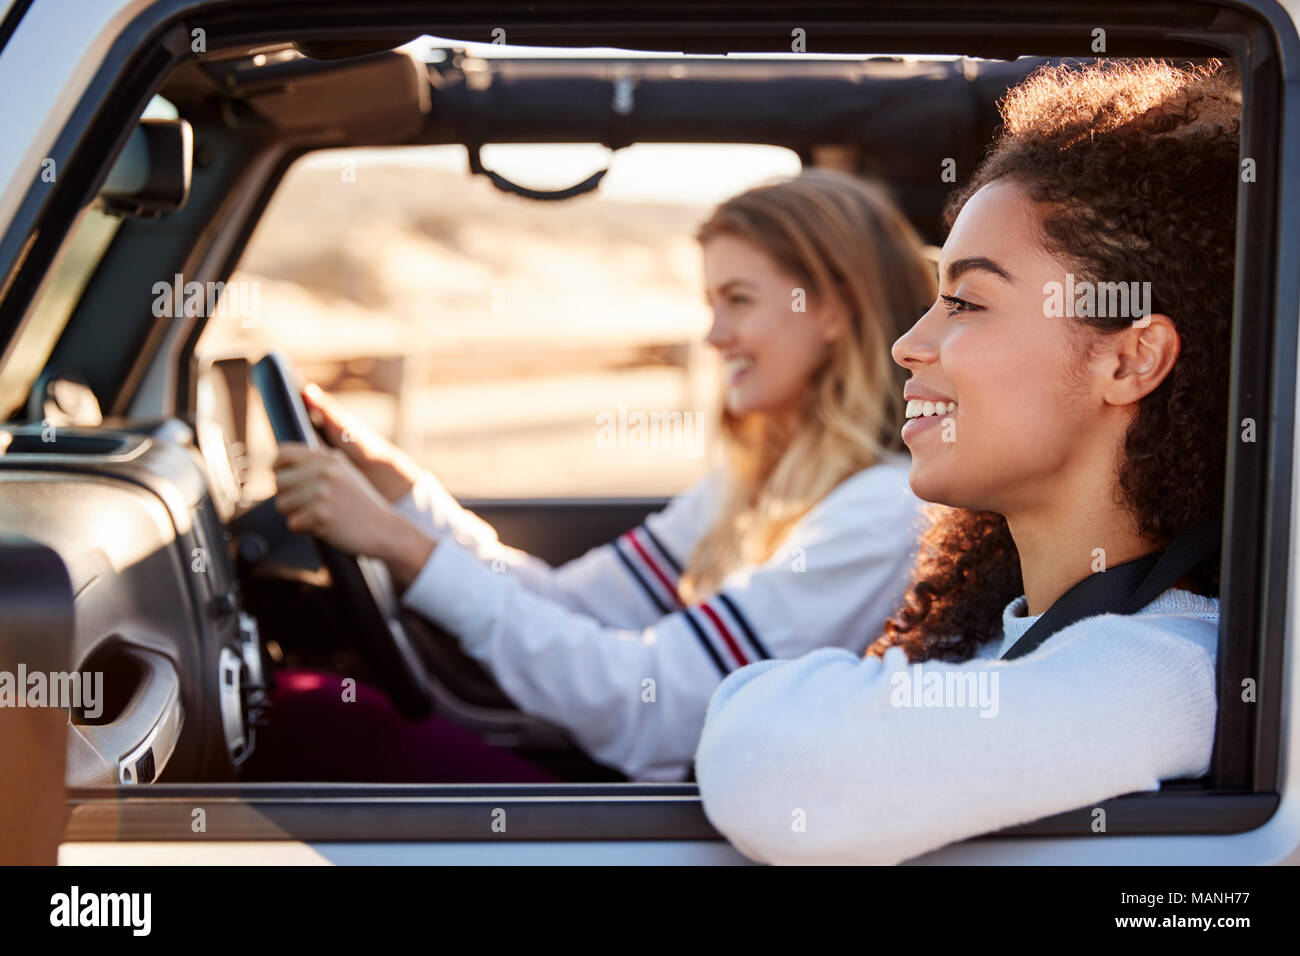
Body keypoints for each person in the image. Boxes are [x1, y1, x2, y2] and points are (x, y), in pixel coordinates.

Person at [693, 59, 1238, 861]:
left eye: (968, 303)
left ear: (1129, 362)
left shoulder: (1163, 669)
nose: (909, 345)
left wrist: (741, 700)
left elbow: (779, 772)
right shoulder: (1036, 640)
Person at [267, 168, 936, 782]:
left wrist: (399, 548)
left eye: (738, 300)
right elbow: (572, 603)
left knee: (311, 717)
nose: (713, 334)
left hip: (696, 821)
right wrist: (406, 495)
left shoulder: (880, 511)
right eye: (711, 302)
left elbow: (647, 708)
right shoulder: (758, 481)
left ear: (832, 310)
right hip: (656, 791)